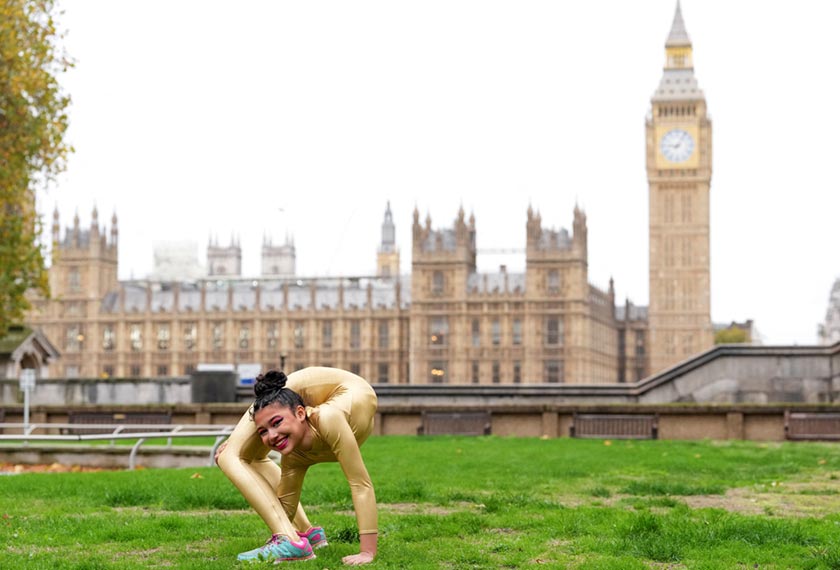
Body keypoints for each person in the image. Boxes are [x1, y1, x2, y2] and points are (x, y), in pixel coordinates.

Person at [216, 366, 378, 565]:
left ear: (301, 413)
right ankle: (305, 535)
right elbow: (284, 510)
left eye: (277, 423)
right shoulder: (292, 456)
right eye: (262, 432)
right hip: (318, 411)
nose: (271, 436)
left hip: (339, 389)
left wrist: (367, 552)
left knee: (228, 456)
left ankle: (290, 541)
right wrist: (284, 532)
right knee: (242, 455)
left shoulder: (328, 418)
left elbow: (360, 484)